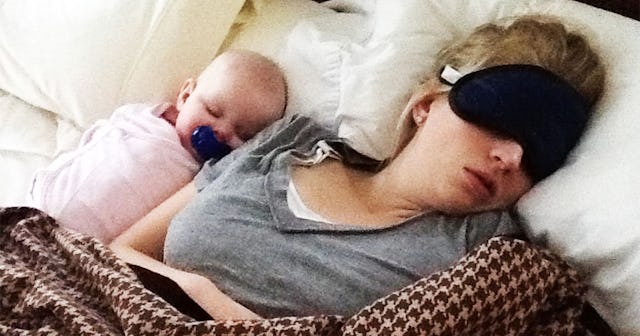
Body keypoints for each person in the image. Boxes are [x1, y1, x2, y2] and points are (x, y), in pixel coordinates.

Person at [110, 15, 605, 320]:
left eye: (541, 153)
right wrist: (193, 290)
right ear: (427, 104)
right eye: (505, 118)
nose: (513, 158)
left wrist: (208, 303)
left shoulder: (486, 257)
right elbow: (120, 253)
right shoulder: (285, 143)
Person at [28, 49, 287, 243]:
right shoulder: (141, 117)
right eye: (213, 111)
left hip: (87, 247)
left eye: (243, 134)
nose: (222, 132)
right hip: (40, 204)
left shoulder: (206, 178)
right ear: (186, 96)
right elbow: (94, 140)